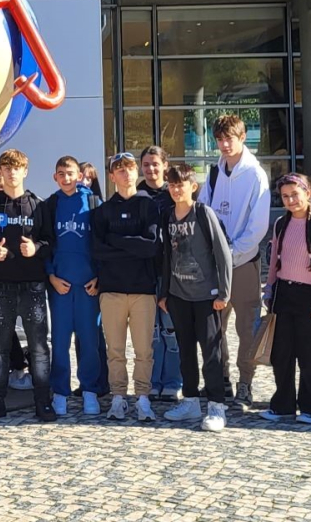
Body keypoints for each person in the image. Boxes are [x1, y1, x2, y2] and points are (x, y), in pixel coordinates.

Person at [0, 149, 55, 422]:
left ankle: (43, 402)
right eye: (6, 168)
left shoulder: (38, 205)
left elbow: (50, 242)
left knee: (39, 347)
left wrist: (37, 248)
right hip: (1, 286)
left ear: (25, 171)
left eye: (16, 168)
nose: (10, 173)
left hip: (32, 286)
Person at [197, 114, 271, 407]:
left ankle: (246, 383)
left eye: (230, 138)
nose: (225, 145)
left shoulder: (255, 175)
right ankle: (221, 381)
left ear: (242, 137)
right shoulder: (215, 172)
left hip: (243, 263)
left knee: (247, 328)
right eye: (219, 139)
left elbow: (258, 225)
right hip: (215, 265)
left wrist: (234, 253)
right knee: (215, 327)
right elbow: (203, 210)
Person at [259, 174, 311, 424]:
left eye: (295, 194)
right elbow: (274, 262)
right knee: (281, 353)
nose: (291, 200)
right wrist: (270, 289)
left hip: (310, 296)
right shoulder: (281, 224)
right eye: (285, 196)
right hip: (284, 293)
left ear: (308, 193)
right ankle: (283, 404)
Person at [158, 163, 232, 432]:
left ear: (193, 186)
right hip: (178, 296)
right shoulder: (167, 216)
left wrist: (224, 291)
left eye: (182, 184)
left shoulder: (204, 213)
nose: (177, 189)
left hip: (206, 296)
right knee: (185, 351)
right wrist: (164, 292)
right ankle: (190, 400)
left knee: (211, 352)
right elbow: (167, 256)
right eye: (173, 185)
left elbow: (223, 254)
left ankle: (216, 405)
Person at [90, 153, 162, 422]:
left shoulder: (149, 206)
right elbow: (99, 251)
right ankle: (118, 397)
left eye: (130, 168)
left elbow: (151, 246)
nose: (126, 174)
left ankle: (143, 398)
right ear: (112, 176)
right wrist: (133, 245)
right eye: (119, 170)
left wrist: (116, 239)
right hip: (112, 290)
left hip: (143, 289)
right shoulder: (103, 211)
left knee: (144, 350)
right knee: (115, 351)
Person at [36, 155, 105, 417]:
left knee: (89, 340)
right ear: (55, 177)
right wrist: (51, 276)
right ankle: (61, 392)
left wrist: (99, 277)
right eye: (61, 174)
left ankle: (90, 390)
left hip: (88, 285)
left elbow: (102, 242)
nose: (66, 178)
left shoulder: (93, 202)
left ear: (80, 175)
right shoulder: (50, 205)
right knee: (60, 341)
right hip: (60, 285)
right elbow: (44, 243)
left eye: (71, 173)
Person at [139, 146, 181, 401]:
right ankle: (153, 382)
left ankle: (174, 381)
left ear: (165, 165)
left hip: (171, 274)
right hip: (144, 273)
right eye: (146, 164)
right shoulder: (136, 195)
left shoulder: (174, 194)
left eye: (155, 164)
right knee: (151, 333)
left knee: (171, 331)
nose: (151, 169)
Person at [0, 164, 32, 391]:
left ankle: (33, 374)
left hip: (28, 281)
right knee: (0, 332)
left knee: (37, 334)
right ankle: (1, 379)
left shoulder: (32, 205)